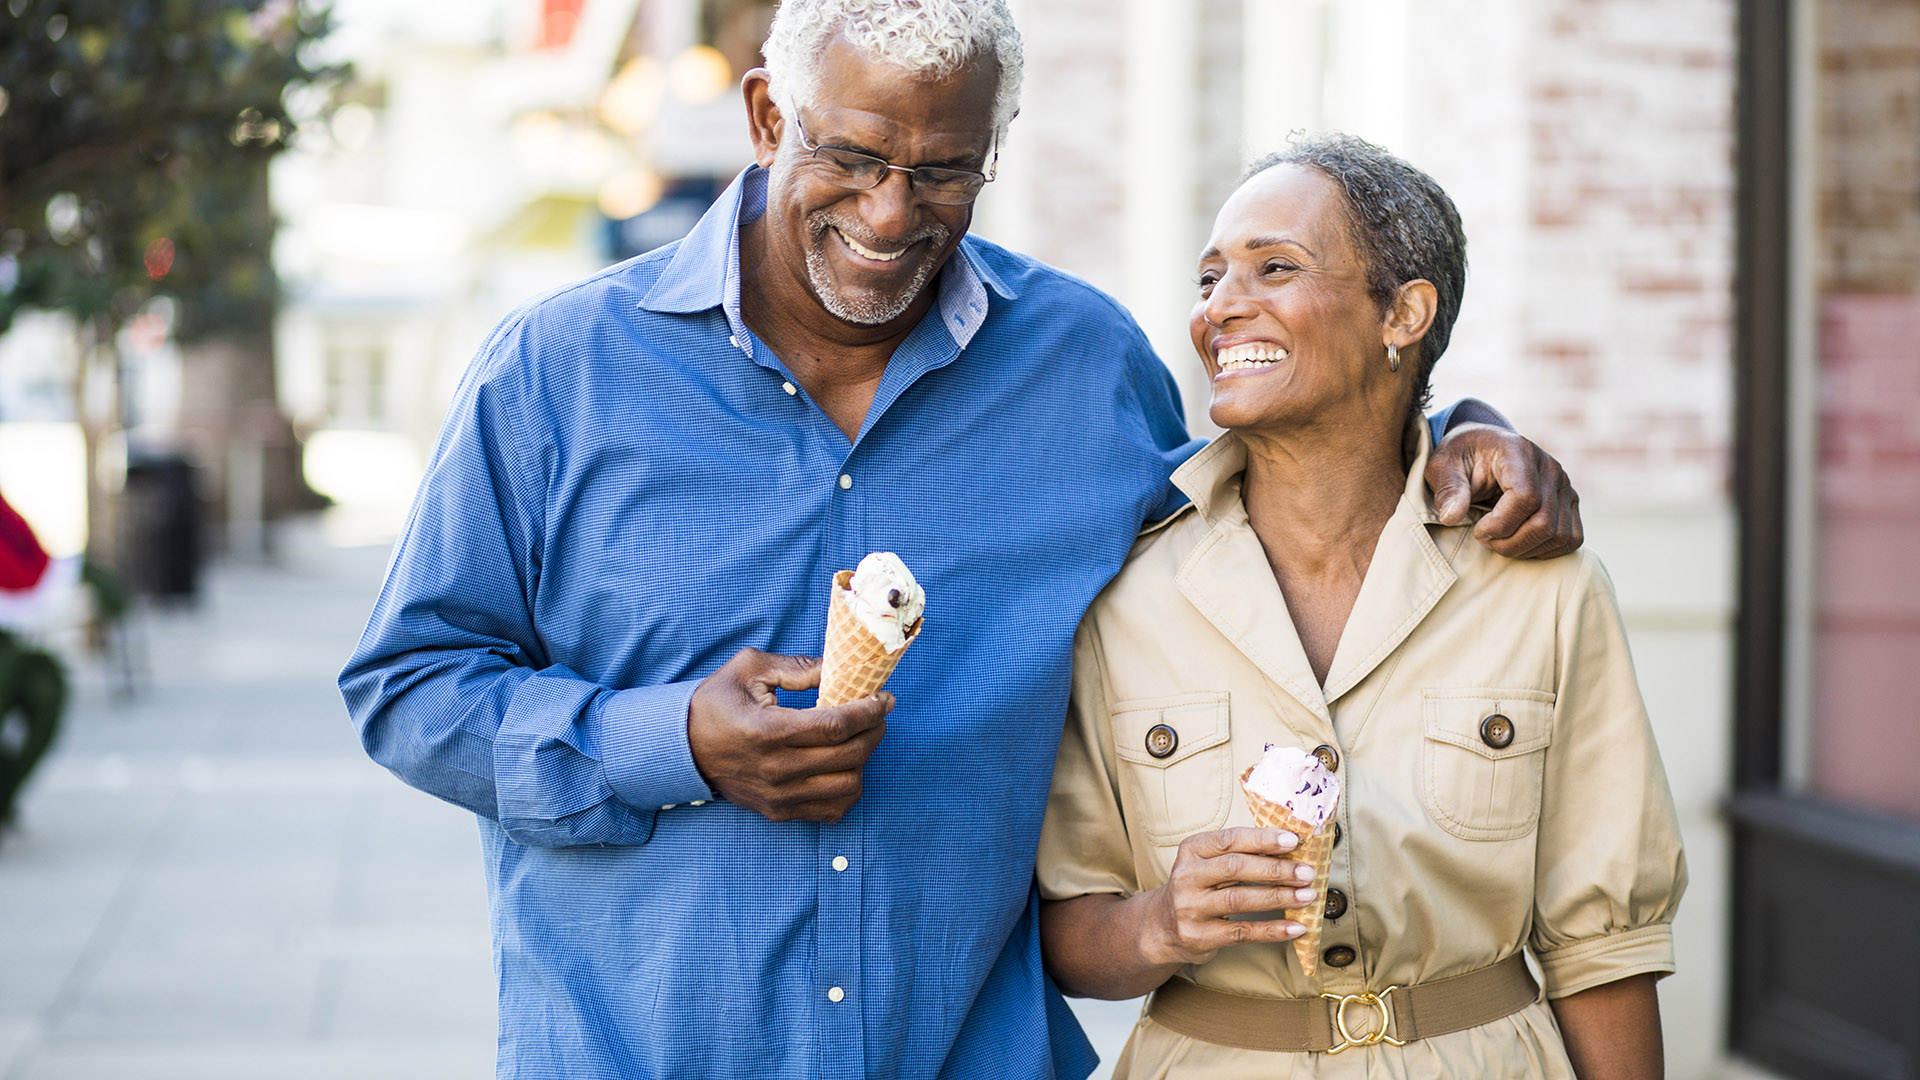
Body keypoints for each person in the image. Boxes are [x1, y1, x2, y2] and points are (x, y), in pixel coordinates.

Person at [339, 3, 1584, 1077]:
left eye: (945, 170)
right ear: (768, 117)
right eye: (854, 153)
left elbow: (1272, 508)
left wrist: (1452, 429)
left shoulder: (1083, 368)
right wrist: (673, 742)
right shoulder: (561, 372)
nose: (892, 212)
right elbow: (406, 687)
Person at [1035, 134, 1685, 1079]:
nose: (1221, 307)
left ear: (1403, 313)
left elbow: (1605, 950)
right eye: (1210, 277)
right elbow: (1064, 928)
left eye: (1275, 268)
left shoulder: (1543, 587)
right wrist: (1160, 923)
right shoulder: (1127, 594)